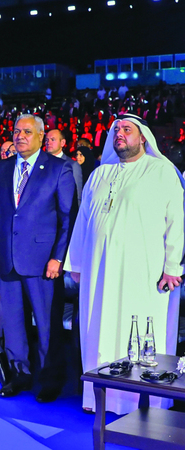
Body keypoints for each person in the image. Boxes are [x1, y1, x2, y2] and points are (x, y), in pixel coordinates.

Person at [65, 114, 185, 415]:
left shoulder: (162, 171)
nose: (120, 133)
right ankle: (99, 398)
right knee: (98, 329)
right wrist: (76, 263)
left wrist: (173, 266)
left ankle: (142, 402)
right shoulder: (99, 174)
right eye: (116, 130)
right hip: (98, 271)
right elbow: (83, 221)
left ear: (143, 137)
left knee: (140, 333)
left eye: (127, 129)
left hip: (143, 272)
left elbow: (177, 221)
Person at [0, 114, 76, 403]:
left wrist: (58, 258)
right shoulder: (1, 168)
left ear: (40, 136)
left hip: (43, 263)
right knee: (12, 324)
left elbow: (67, 217)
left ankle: (50, 380)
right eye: (16, 131)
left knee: (47, 325)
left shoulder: (59, 168)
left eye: (27, 131)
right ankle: (19, 376)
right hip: (6, 260)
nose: (20, 136)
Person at [45, 129, 82, 204]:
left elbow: (77, 195)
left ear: (62, 143)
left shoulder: (72, 165)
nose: (48, 143)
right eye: (46, 140)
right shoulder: (42, 162)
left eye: (53, 140)